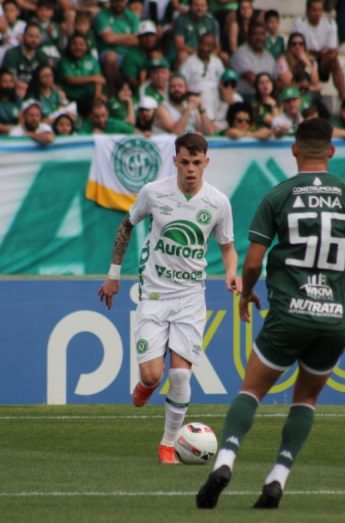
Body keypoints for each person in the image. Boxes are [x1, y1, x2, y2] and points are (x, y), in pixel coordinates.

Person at [195, 117, 345, 510]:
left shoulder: (278, 196)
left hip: (290, 313)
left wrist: (246, 293)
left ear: (294, 149)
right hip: (335, 317)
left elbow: (253, 262)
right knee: (306, 400)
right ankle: (277, 477)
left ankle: (225, 461)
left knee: (252, 390)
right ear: (331, 150)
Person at [98, 132, 240, 465]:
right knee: (152, 375)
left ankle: (168, 443)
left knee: (180, 375)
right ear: (175, 160)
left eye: (197, 162)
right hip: (154, 294)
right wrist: (113, 275)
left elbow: (228, 247)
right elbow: (126, 226)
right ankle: (147, 386)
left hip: (191, 297)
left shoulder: (218, 202)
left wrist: (232, 272)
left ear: (206, 162)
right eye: (185, 162)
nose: (190, 169)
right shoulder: (153, 192)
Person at [292, 0, 345, 99]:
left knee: (334, 61)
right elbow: (297, 46)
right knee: (299, 57)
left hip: (322, 59)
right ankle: (299, 95)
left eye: (320, 10)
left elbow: (333, 50)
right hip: (304, 56)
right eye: (314, 10)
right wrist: (310, 55)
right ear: (307, 11)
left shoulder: (330, 23)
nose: (317, 14)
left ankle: (344, 97)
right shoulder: (299, 22)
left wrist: (327, 54)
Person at [230, 21, 281, 98]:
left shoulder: (269, 56)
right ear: (248, 37)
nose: (259, 38)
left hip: (266, 96)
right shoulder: (240, 54)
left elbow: (275, 80)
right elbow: (252, 79)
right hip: (246, 97)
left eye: (262, 34)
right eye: (255, 34)